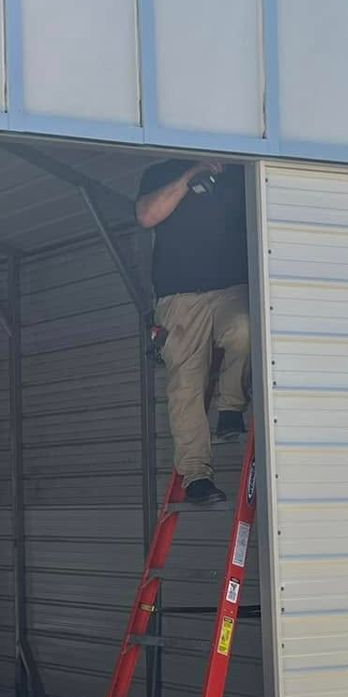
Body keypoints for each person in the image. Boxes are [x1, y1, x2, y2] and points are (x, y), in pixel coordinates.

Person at [135, 157, 250, 507]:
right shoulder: (162, 171)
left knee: (247, 330)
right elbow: (147, 216)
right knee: (185, 386)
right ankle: (197, 475)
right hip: (178, 297)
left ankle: (231, 408)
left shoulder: (242, 172)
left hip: (232, 288)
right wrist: (189, 177)